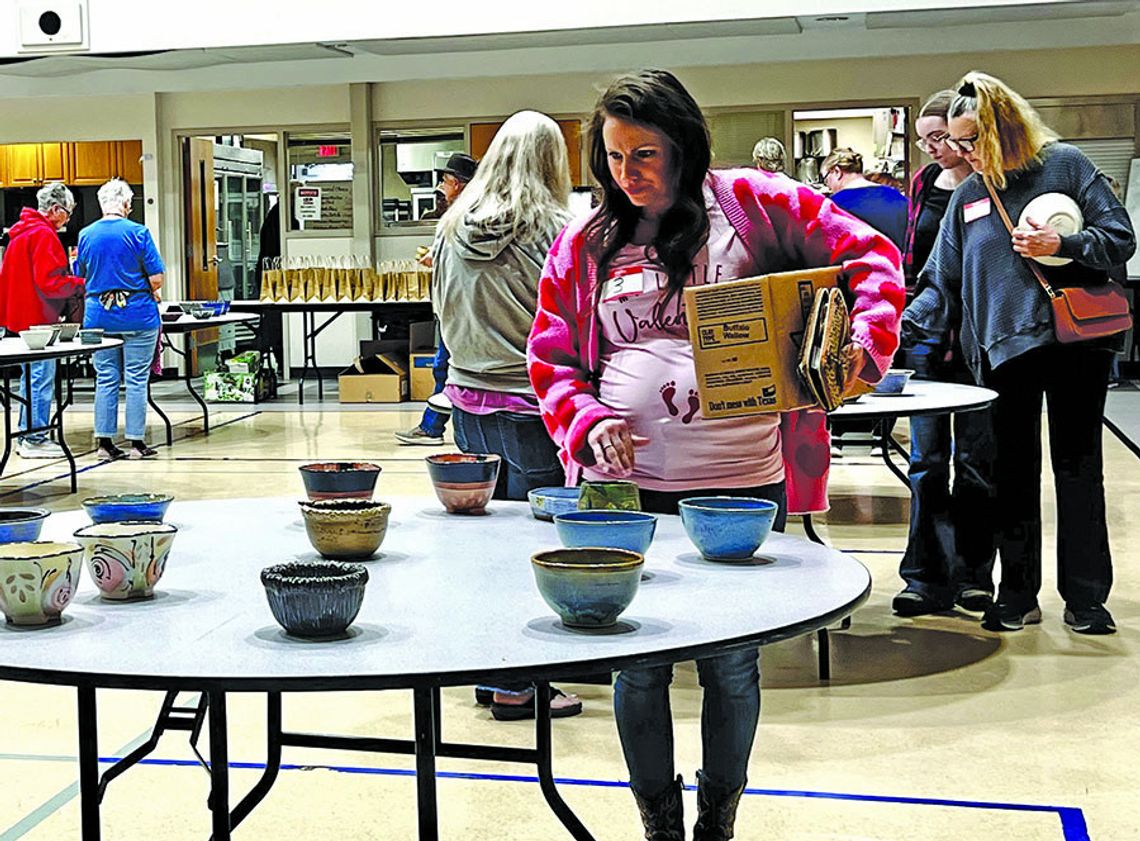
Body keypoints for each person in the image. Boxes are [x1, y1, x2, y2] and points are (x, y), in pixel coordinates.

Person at [527, 69, 903, 840]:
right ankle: (658, 820)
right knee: (637, 662)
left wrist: (858, 351)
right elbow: (550, 355)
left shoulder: (758, 203)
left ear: (686, 147)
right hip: (619, 488)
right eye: (615, 158)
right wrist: (584, 416)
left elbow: (872, 260)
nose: (629, 176)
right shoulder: (587, 240)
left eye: (647, 155)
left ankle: (717, 820)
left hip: (741, 478)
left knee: (732, 661)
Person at [906, 71, 1135, 635]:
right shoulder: (967, 195)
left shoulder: (1067, 165)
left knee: (1079, 471)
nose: (959, 154)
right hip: (1003, 355)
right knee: (1012, 477)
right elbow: (940, 283)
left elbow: (1120, 236)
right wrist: (890, 329)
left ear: (1004, 129)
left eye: (970, 142)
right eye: (954, 143)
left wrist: (1065, 244)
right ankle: (1017, 594)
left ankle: (1085, 599)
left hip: (1074, 344)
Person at [433, 115, 581, 721]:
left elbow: (440, 311)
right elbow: (578, 321)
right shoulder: (556, 228)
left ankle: (489, 668)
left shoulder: (449, 226)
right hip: (533, 407)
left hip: (467, 403)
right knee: (536, 547)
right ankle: (523, 684)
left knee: (485, 548)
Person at [893, 90, 997, 617]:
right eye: (926, 140)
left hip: (980, 343)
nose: (934, 148)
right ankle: (924, 578)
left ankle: (974, 576)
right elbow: (916, 265)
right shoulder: (922, 184)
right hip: (926, 341)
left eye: (941, 139)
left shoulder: (991, 186)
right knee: (926, 462)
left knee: (977, 463)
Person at [77, 178, 166, 461]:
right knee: (137, 379)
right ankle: (137, 443)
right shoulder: (138, 232)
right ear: (127, 204)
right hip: (137, 315)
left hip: (98, 316)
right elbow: (157, 279)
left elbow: (82, 273)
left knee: (105, 378)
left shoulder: (85, 235)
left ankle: (104, 443)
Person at [395, 152, 478, 446]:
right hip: (451, 306)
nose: (441, 186)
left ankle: (435, 428)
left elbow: (470, 261)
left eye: (444, 180)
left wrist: (439, 260)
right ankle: (434, 426)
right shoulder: (458, 215)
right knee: (446, 367)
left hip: (460, 308)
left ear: (456, 183)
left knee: (448, 367)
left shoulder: (469, 217)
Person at [0, 182, 85, 459]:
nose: (68, 220)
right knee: (40, 377)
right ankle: (34, 438)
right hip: (38, 318)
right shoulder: (43, 235)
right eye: (68, 213)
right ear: (56, 209)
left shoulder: (20, 232)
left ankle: (27, 433)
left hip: (17, 317)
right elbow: (50, 283)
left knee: (28, 379)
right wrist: (80, 284)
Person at [821, 147, 908, 249]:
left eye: (826, 180)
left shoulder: (833, 206)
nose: (828, 186)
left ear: (836, 172)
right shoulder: (897, 196)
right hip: (900, 263)